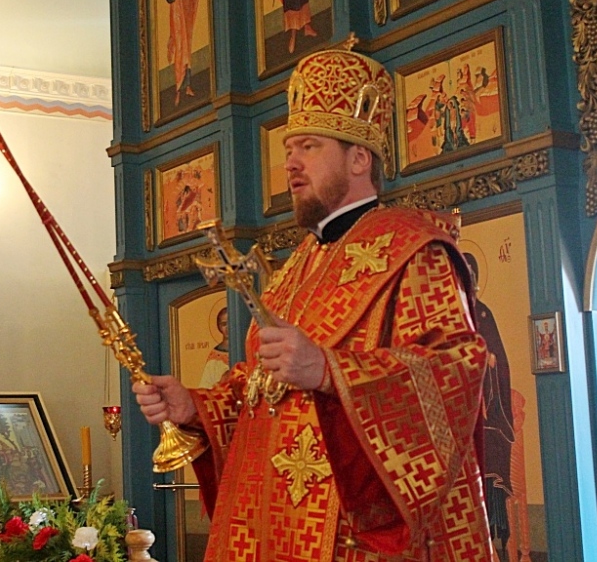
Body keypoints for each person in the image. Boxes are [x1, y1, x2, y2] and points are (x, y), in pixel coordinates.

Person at [134, 47, 494, 560]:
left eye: (309, 146)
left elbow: (455, 371)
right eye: (289, 148)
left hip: (354, 540)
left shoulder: (414, 250)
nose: (291, 163)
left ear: (359, 158)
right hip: (270, 527)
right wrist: (196, 407)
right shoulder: (296, 269)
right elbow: (262, 393)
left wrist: (329, 371)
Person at [463, 252, 515, 557]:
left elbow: (499, 360)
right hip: (462, 415)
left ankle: (497, 534)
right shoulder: (449, 313)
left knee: (492, 458)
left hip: (489, 413)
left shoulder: (482, 313)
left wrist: (489, 360)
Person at [199, 306, 230, 388]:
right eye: (224, 324)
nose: (228, 328)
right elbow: (205, 387)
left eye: (230, 323)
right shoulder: (214, 357)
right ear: (218, 326)